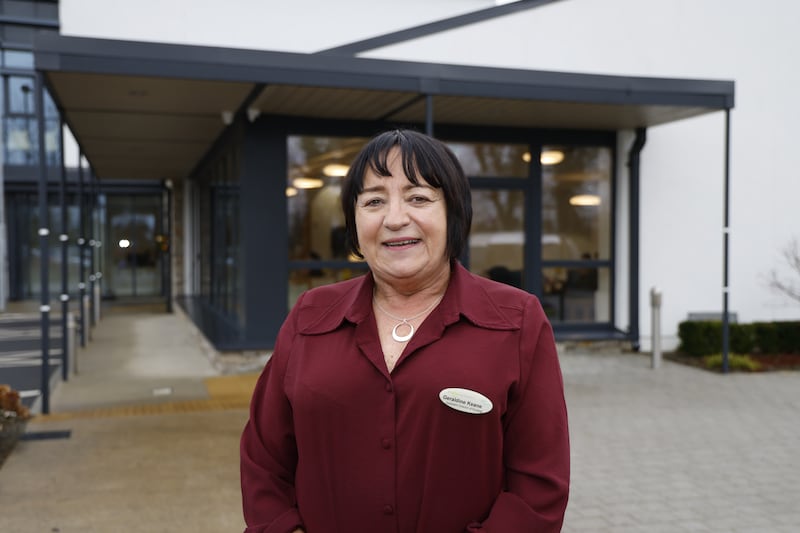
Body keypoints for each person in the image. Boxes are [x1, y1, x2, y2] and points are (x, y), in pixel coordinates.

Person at [240, 129, 570, 532]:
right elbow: (263, 456)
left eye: (418, 198)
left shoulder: (517, 321)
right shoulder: (310, 317)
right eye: (374, 201)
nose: (395, 219)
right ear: (354, 221)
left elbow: (538, 486)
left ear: (453, 213)